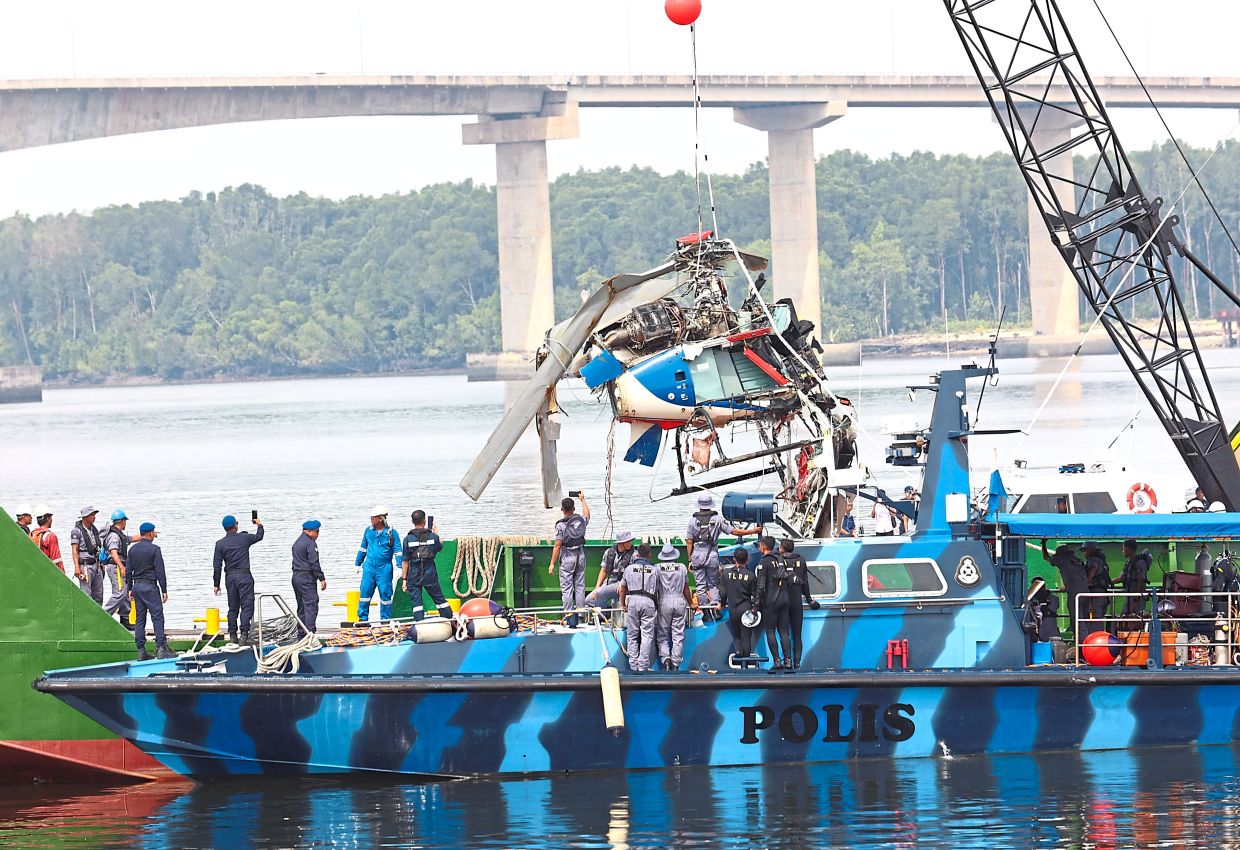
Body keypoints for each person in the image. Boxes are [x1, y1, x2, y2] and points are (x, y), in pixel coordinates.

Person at [685, 494, 759, 616]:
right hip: (712, 555)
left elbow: (689, 541)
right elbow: (734, 531)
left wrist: (690, 559)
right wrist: (753, 531)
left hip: (697, 556)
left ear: (699, 506)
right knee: (713, 584)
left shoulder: (692, 521)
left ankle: (705, 612)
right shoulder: (718, 519)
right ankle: (715, 608)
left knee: (700, 585)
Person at [127, 521, 175, 660]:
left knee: (140, 619)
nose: (155, 534)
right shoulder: (155, 549)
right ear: (149, 533)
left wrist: (130, 588)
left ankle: (141, 651)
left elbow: (129, 570)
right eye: (154, 532)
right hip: (150, 587)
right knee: (157, 616)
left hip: (137, 586)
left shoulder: (132, 550)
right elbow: (160, 571)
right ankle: (161, 648)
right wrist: (164, 590)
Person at [213, 513, 265, 643]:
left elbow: (217, 566)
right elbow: (259, 536)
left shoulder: (220, 544)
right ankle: (244, 635)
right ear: (235, 526)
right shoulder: (244, 538)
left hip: (229, 577)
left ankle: (232, 636)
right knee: (247, 605)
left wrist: (216, 584)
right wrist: (259, 524)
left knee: (233, 607)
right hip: (244, 576)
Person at [549, 493, 590, 628]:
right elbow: (587, 515)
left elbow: (558, 545)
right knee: (579, 587)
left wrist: (552, 563)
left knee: (567, 589)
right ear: (573, 509)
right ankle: (581, 616)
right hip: (580, 555)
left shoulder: (560, 525)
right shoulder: (580, 521)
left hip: (567, 557)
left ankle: (569, 617)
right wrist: (582, 500)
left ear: (562, 509)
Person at [402, 510, 451, 621]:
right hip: (429, 571)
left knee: (417, 603)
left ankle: (420, 626)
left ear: (412, 521)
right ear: (424, 520)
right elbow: (440, 547)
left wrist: (404, 579)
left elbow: (405, 561)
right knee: (439, 599)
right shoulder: (432, 536)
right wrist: (436, 533)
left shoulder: (407, 539)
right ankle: (450, 621)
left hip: (414, 572)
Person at [355, 506, 401, 622]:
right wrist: (357, 563)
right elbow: (363, 548)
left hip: (384, 568)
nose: (371, 519)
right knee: (365, 593)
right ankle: (363, 619)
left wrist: (399, 567)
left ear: (380, 518)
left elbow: (398, 551)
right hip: (369, 568)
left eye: (373, 517)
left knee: (385, 595)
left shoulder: (391, 533)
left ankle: (385, 620)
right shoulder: (368, 531)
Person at [618, 542, 659, 672]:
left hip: (633, 601)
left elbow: (623, 589)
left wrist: (623, 604)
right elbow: (658, 590)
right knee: (647, 635)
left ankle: (633, 665)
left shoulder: (629, 569)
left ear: (638, 554)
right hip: (648, 601)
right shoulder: (654, 570)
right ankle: (643, 666)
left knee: (632, 635)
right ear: (650, 555)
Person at [780, 539, 821, 670]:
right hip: (797, 601)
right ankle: (797, 663)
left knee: (784, 633)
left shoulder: (778, 560)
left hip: (783, 601)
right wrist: (809, 599)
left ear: (781, 548)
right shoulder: (801, 560)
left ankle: (787, 661)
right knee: (797, 635)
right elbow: (805, 582)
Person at [654, 543, 695, 671]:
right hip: (679, 601)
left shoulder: (657, 568)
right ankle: (676, 663)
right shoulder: (682, 568)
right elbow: (686, 589)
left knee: (663, 634)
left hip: (664, 601)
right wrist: (691, 603)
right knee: (678, 634)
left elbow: (655, 590)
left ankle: (666, 659)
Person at [756, 536, 793, 669]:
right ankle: (788, 660)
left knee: (770, 630)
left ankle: (777, 661)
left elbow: (761, 585)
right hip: (785, 598)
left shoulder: (764, 561)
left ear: (764, 546)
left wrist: (756, 603)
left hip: (771, 600)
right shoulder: (781, 559)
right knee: (784, 631)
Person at [719, 547, 759, 666]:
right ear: (747, 560)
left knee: (736, 635)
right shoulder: (751, 576)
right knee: (746, 637)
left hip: (733, 609)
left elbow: (723, 593)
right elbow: (756, 595)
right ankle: (745, 662)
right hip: (746, 608)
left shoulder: (725, 574)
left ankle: (738, 653)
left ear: (734, 559)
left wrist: (721, 605)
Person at [1042, 539, 1089, 638]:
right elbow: (1078, 577)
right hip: (1086, 592)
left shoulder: (1062, 560)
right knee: (1086, 620)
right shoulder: (1078, 560)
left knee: (1077, 620)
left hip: (1075, 594)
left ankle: (1081, 646)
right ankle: (1088, 642)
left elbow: (1045, 557)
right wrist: (1068, 586)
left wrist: (1044, 544)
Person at [584, 531, 634, 613]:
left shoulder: (633, 555)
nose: (630, 543)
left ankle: (602, 617)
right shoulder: (609, 552)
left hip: (622, 583)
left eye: (630, 541)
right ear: (621, 543)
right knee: (588, 600)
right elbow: (603, 570)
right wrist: (596, 588)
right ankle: (608, 612)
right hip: (610, 580)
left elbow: (633, 574)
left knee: (600, 593)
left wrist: (622, 584)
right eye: (627, 541)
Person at [291, 520, 326, 633]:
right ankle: (310, 633)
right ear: (310, 531)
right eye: (317, 531)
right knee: (311, 605)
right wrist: (321, 578)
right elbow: (314, 562)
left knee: (301, 606)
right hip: (306, 578)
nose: (318, 534)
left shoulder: (297, 542)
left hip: (296, 577)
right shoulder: (310, 543)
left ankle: (301, 633)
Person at [101, 509, 133, 627]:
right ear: (122, 521)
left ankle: (125, 620)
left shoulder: (120, 535)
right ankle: (103, 616)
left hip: (119, 566)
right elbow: (114, 553)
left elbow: (130, 539)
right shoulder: (114, 536)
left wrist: (145, 535)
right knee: (119, 593)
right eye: (125, 521)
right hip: (116, 567)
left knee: (124, 594)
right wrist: (121, 567)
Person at [71, 506, 105, 604]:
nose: (94, 517)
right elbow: (74, 549)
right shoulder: (76, 531)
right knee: (86, 595)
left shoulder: (94, 530)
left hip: (96, 565)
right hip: (85, 566)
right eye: (92, 515)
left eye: (94, 515)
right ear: (85, 516)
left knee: (99, 595)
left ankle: (98, 617)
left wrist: (102, 565)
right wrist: (77, 567)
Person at [1118, 538, 1152, 617]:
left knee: (1135, 618)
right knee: (1125, 616)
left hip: (1137, 598)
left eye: (1124, 549)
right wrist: (1107, 582)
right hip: (1130, 596)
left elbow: (1141, 579)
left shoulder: (1140, 562)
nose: (1123, 551)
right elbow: (1120, 578)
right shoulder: (1130, 563)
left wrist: (1136, 597)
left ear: (1128, 549)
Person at [1081, 541, 1110, 626]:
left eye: (1085, 550)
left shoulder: (1092, 560)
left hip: (1096, 594)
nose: (1084, 553)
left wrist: (1086, 582)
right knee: (1098, 618)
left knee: (1095, 621)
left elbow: (1093, 570)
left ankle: (1097, 637)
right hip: (1103, 594)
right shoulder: (1102, 561)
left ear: (1090, 550)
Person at [30, 506, 64, 573]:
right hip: (48, 572)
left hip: (36, 571)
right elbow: (56, 560)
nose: (52, 520)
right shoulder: (51, 536)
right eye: (51, 518)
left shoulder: (31, 534)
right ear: (48, 518)